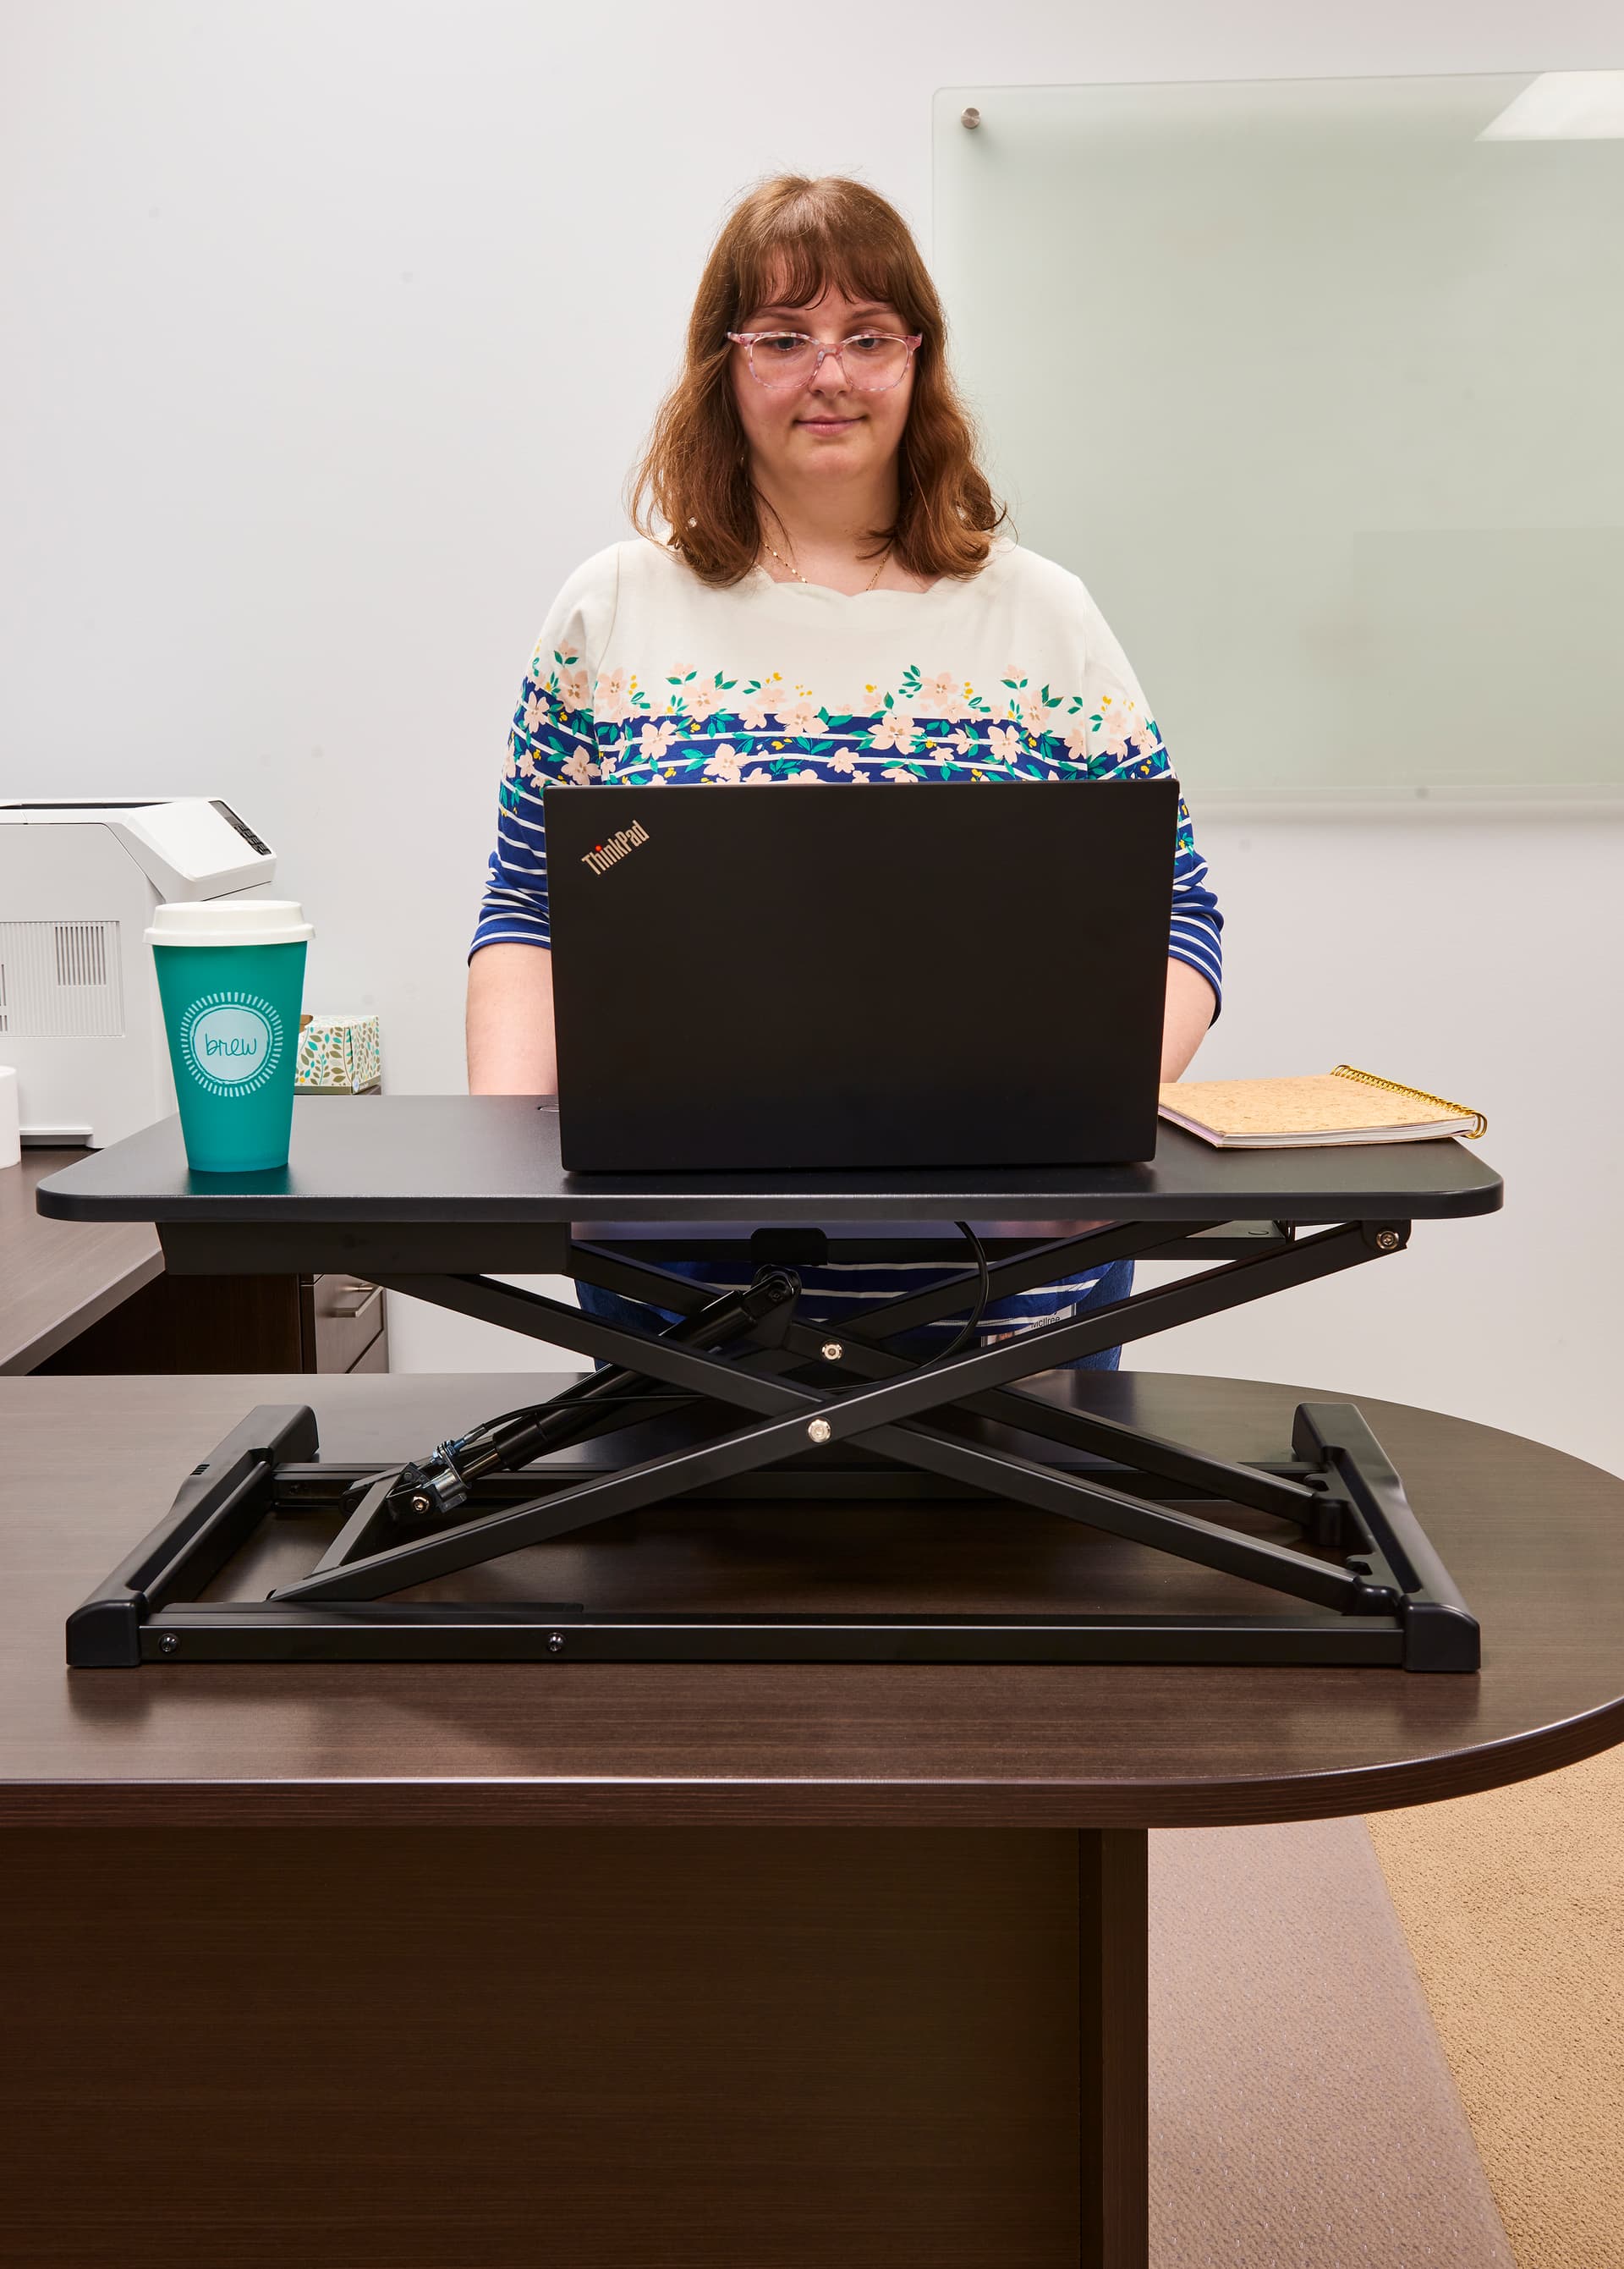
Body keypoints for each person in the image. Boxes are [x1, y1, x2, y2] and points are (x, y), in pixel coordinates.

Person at [466, 173, 1221, 1367]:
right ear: (726, 364)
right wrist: (512, 1169)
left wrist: (1087, 1132)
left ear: (918, 360)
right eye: (784, 337)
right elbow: (529, 908)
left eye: (867, 336)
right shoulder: (611, 613)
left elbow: (1177, 917)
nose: (830, 373)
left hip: (1011, 1310)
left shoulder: (1042, 619)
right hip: (673, 1304)